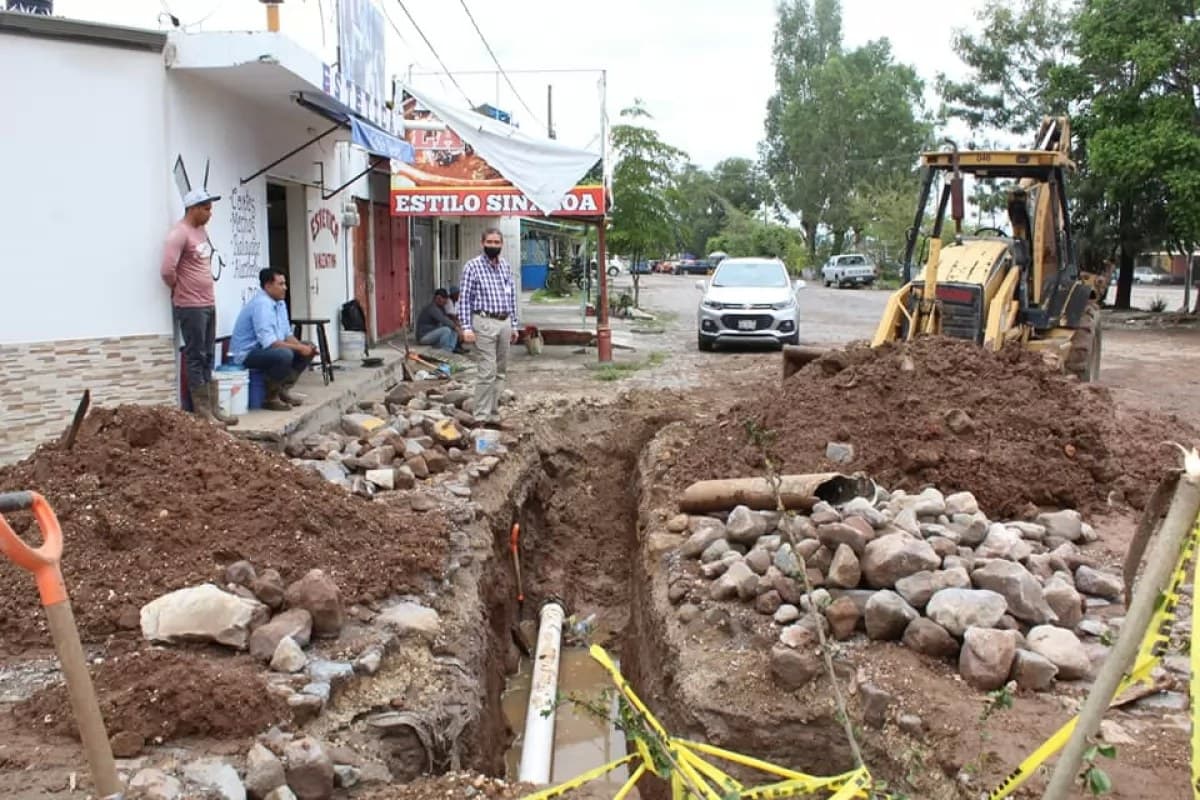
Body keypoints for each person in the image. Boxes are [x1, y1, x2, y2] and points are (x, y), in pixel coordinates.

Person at [161, 188, 237, 426]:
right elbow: (167, 270)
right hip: (190, 304)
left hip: (207, 301)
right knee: (196, 355)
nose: (210, 213)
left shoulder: (200, 231)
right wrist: (179, 288)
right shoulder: (179, 233)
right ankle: (202, 411)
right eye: (206, 209)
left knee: (208, 354)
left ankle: (213, 407)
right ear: (193, 209)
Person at [229, 268, 317, 411]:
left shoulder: (279, 303)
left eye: (285, 284)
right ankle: (270, 397)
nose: (285, 288)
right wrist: (300, 348)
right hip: (246, 353)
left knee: (308, 346)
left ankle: (283, 389)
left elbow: (286, 334)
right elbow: (270, 342)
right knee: (284, 354)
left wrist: (304, 348)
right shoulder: (262, 304)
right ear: (268, 286)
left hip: (264, 349)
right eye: (280, 284)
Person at [458, 228, 518, 425]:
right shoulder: (472, 267)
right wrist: (466, 327)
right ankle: (481, 417)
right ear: (482, 243)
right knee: (487, 370)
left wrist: (514, 325)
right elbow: (465, 299)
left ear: (502, 244)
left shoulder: (506, 268)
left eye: (496, 242)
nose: (493, 246)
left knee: (500, 370)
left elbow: (511, 297)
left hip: (505, 322)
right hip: (483, 322)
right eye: (489, 242)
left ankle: (493, 414)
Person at [416, 288, 462, 352]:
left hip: (432, 333)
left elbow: (447, 319)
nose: (445, 303)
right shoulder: (432, 308)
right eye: (444, 301)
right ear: (438, 298)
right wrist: (457, 327)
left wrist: (457, 326)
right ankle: (443, 351)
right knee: (446, 330)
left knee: (452, 329)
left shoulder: (440, 308)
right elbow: (443, 319)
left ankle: (449, 349)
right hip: (423, 337)